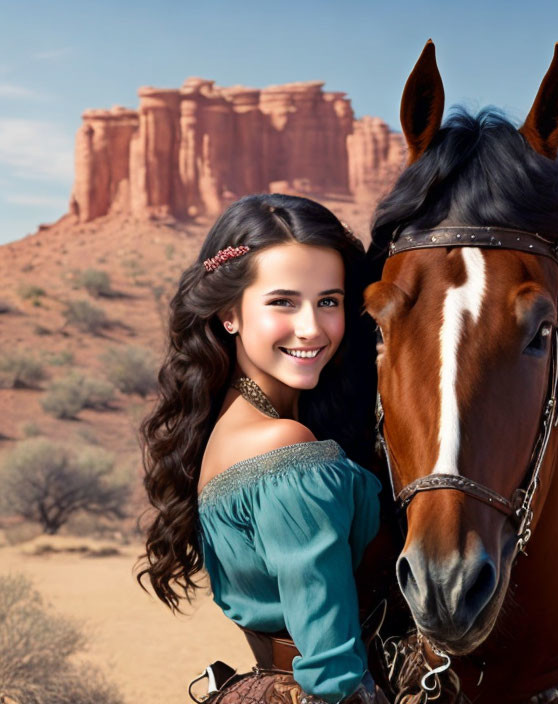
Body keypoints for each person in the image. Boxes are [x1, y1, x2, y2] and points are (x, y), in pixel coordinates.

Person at [136, 194, 386, 704]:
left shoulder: (230, 426)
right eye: (282, 301)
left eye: (329, 301)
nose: (312, 327)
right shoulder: (283, 448)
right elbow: (332, 672)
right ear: (229, 313)